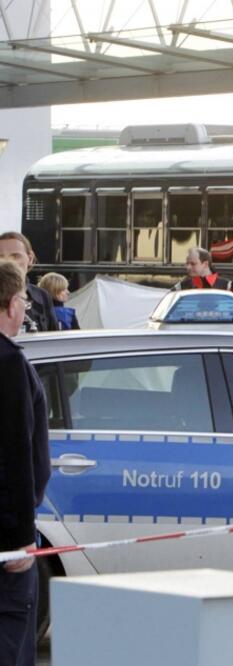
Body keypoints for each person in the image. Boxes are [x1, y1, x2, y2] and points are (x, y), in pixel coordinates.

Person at [0, 260, 51, 666]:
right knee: (11, 641)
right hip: (5, 540)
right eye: (21, 299)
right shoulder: (8, 362)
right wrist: (19, 537)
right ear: (8, 304)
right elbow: (16, 452)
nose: (25, 309)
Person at [0, 232, 57, 334]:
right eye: (1, 257)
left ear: (30, 258)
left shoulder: (42, 296)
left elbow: (54, 339)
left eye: (15, 256)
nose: (8, 261)